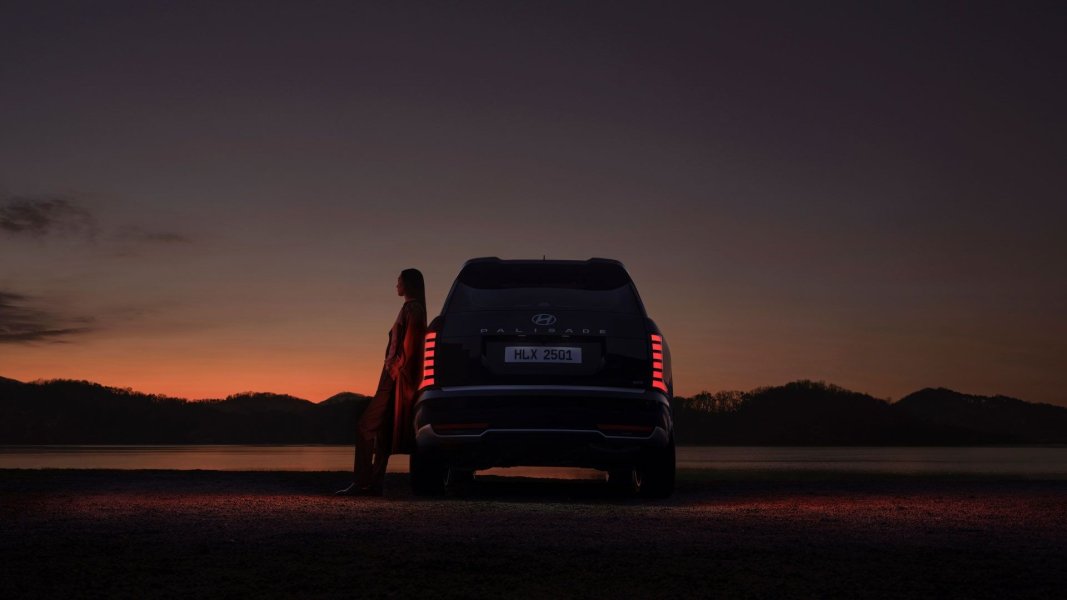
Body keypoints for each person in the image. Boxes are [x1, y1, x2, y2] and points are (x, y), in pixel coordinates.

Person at [336, 268, 427, 496]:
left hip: (394, 378)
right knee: (383, 432)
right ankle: (374, 484)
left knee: (365, 426)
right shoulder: (410, 309)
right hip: (393, 377)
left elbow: (409, 347)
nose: (396, 285)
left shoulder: (413, 309)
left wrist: (394, 371)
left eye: (399, 281)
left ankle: (362, 482)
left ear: (408, 283)